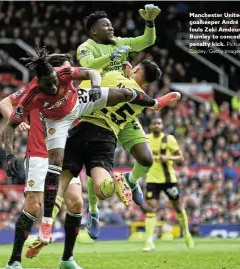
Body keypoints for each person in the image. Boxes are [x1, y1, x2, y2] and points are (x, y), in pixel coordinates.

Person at [4, 43, 176, 246]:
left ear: (58, 74)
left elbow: (93, 72)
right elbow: (9, 126)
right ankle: (46, 227)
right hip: (58, 123)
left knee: (122, 94)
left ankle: (154, 104)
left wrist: (95, 88)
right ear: (37, 83)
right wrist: (9, 155)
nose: (53, 88)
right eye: (47, 85)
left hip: (79, 105)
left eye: (55, 82)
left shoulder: (65, 72)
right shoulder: (30, 95)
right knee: (56, 165)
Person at [76, 6, 164, 239]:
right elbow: (88, 68)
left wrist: (150, 23)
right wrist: (110, 58)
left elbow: (146, 42)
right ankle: (93, 212)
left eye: (111, 24)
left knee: (146, 158)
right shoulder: (86, 48)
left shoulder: (119, 42)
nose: (111, 27)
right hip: (97, 108)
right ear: (93, 31)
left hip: (122, 107)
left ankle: (131, 180)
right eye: (105, 25)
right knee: (96, 166)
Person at [0, 54, 85, 269]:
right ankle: (14, 260)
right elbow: (4, 102)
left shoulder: (68, 88)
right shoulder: (34, 89)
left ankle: (67, 259)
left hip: (63, 154)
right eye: (63, 70)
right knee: (33, 205)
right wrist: (15, 120)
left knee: (76, 202)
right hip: (38, 152)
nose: (66, 76)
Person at [143, 117, 194, 251]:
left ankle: (187, 233)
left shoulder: (169, 139)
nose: (156, 125)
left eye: (159, 123)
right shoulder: (145, 139)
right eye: (154, 123)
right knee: (151, 209)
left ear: (162, 126)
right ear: (151, 126)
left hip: (169, 180)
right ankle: (149, 241)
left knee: (177, 207)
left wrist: (168, 157)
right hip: (152, 180)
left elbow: (180, 157)